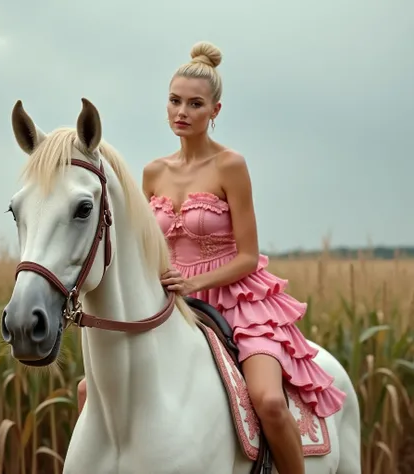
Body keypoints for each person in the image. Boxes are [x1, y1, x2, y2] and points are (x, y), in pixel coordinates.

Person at [77, 41, 346, 474]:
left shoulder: (230, 166)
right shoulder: (153, 172)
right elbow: (142, 246)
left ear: (215, 111)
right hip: (171, 300)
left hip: (239, 301)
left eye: (195, 104)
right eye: (174, 101)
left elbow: (248, 255)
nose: (182, 111)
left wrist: (195, 283)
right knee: (91, 391)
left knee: (270, 401)